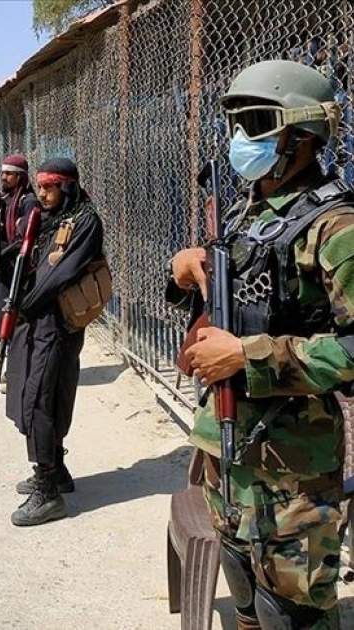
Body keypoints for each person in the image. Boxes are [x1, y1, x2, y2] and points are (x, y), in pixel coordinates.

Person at [168, 60, 353, 629]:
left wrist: (249, 357)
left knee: (292, 609)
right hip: (227, 445)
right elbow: (241, 294)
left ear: (300, 135)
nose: (238, 138)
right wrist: (184, 273)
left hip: (292, 460)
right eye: (234, 122)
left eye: (253, 121)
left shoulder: (336, 226)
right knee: (243, 582)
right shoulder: (252, 209)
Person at [4, 158, 104, 528]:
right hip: (40, 323)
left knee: (42, 398)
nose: (42, 194)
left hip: (57, 323)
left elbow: (58, 274)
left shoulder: (84, 221)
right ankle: (56, 468)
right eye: (40, 187)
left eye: (49, 188)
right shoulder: (53, 219)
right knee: (39, 393)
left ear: (69, 187)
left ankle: (48, 492)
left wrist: (25, 305)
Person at [0, 155, 39, 342]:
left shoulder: (27, 201)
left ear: (20, 177)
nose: (3, 177)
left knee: (14, 321)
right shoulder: (4, 199)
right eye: (3, 173)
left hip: (17, 269)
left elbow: (24, 239)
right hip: (1, 268)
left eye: (9, 174)